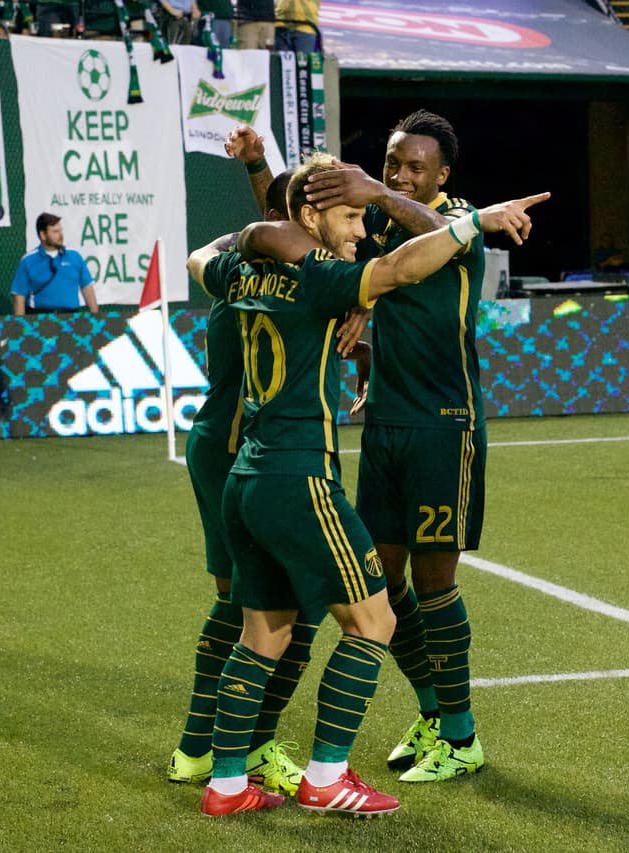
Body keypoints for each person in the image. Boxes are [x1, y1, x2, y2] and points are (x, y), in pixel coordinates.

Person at [185, 152, 547, 815]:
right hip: (301, 475)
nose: (360, 229)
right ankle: (327, 776)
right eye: (350, 216)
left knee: (262, 633)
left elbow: (198, 257)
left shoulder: (239, 274)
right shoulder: (324, 280)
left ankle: (227, 784)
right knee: (373, 618)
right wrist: (477, 224)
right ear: (310, 218)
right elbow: (405, 265)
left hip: (245, 477)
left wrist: (257, 233)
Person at [262, 110, 496, 784]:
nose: (400, 174)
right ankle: (431, 712)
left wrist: (378, 193)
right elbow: (297, 236)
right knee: (381, 584)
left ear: (442, 174)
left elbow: (449, 239)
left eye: (415, 166)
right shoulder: (379, 224)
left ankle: (462, 735)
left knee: (435, 581)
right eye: (394, 162)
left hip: (444, 425)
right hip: (388, 424)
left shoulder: (458, 217)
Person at [166, 137, 322, 800]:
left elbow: (212, 250)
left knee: (236, 604)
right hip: (247, 452)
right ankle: (250, 746)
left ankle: (197, 747)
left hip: (219, 443)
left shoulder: (239, 270)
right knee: (290, 609)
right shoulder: (292, 280)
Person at [10, 213, 98, 315]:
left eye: (60, 230)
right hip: (40, 318)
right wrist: (20, 327)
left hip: (71, 317)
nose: (60, 235)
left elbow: (87, 287)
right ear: (43, 235)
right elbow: (19, 296)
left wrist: (96, 317)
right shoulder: (28, 261)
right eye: (55, 232)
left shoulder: (74, 256)